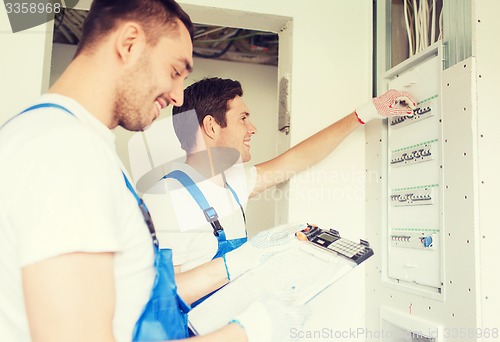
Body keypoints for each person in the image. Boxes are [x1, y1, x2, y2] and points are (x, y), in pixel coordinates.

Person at [0, 1, 307, 341]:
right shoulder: (69, 152)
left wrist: (244, 260)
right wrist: (246, 333)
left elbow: (130, 299)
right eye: (176, 71)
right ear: (129, 43)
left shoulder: (56, 135)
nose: (178, 97)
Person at [141, 77, 417, 306]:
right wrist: (248, 258)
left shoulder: (230, 184)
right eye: (243, 118)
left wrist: (366, 112)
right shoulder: (166, 197)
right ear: (212, 126)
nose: (252, 129)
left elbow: (298, 159)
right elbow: (162, 298)